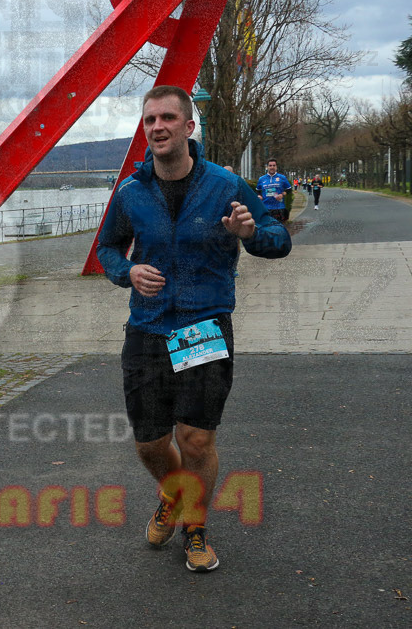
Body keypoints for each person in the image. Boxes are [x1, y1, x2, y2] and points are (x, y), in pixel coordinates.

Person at [96, 86, 291, 573]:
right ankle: (173, 492)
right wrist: (127, 272)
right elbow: (108, 249)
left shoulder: (226, 185)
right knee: (149, 441)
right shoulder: (131, 192)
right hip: (147, 328)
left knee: (196, 440)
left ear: (188, 127)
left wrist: (251, 234)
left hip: (203, 327)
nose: (156, 127)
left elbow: (278, 238)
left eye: (166, 118)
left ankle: (196, 525)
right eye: (148, 120)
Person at [256, 158, 292, 222]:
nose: (272, 167)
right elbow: (258, 190)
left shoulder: (282, 177)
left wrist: (282, 194)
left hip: (279, 207)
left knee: (278, 229)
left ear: (276, 167)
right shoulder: (261, 179)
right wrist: (259, 196)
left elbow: (289, 189)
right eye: (270, 165)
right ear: (267, 167)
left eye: (274, 165)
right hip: (266, 208)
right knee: (267, 228)